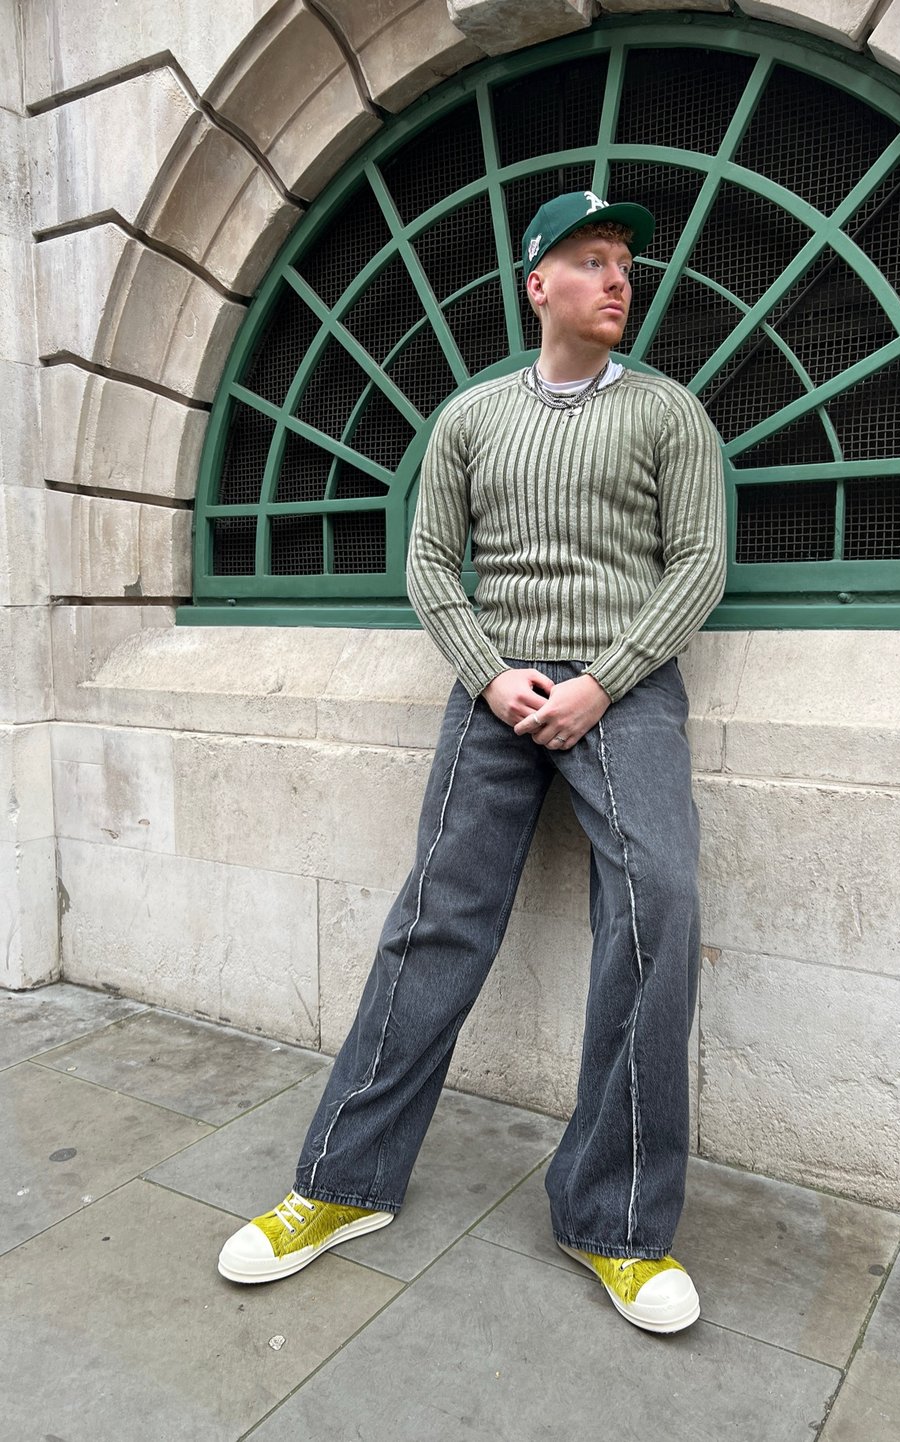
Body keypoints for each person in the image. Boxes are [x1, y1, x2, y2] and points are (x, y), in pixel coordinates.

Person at [218, 191, 726, 1335]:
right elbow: (431, 563)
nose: (616, 280)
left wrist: (604, 678)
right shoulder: (470, 418)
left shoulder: (669, 413)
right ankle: (340, 1182)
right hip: (495, 686)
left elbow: (696, 565)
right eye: (589, 262)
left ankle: (616, 1221)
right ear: (535, 281)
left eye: (624, 264)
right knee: (436, 916)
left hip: (624, 686)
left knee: (659, 901)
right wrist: (492, 673)